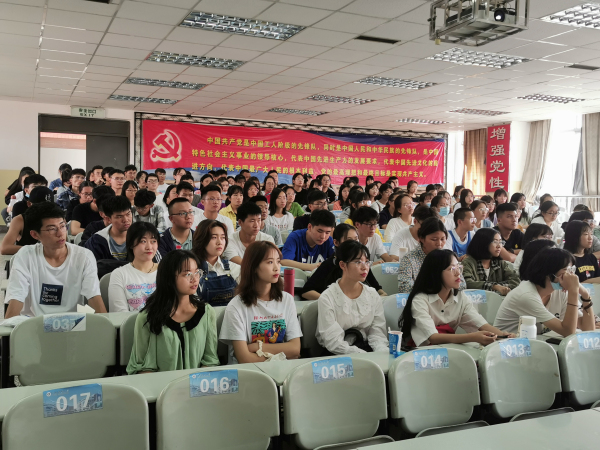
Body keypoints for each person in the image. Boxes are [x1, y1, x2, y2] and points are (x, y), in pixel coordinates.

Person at [5, 202, 106, 318]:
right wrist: (9, 327)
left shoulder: (84, 256)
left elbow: (94, 296)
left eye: (62, 226)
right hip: (33, 323)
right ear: (35, 235)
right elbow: (16, 297)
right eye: (52, 229)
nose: (60, 233)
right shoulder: (26, 256)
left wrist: (107, 326)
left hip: (72, 323)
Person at [126, 250, 219, 373]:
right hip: (158, 384)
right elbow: (140, 366)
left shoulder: (206, 312)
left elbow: (210, 360)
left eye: (197, 272)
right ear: (169, 278)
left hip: (197, 383)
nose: (195, 279)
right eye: (187, 274)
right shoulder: (147, 317)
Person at [399, 249, 513, 347]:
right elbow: (433, 337)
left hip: (448, 349)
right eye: (452, 269)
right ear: (436, 272)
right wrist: (472, 337)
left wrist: (503, 335)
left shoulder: (460, 297)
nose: (458, 273)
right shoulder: (420, 300)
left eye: (459, 267)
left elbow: (481, 324)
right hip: (421, 353)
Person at [219, 241, 302, 364]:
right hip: (249, 373)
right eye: (270, 262)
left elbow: (295, 349)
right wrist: (282, 354)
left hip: (282, 370)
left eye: (278, 261)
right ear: (253, 267)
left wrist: (258, 347)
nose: (276, 268)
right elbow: (244, 359)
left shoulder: (287, 300)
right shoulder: (236, 306)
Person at [494, 246, 595, 336]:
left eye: (572, 269)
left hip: (536, 344)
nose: (571, 275)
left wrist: (585, 295)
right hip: (509, 346)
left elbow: (588, 329)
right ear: (549, 273)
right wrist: (573, 291)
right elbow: (568, 331)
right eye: (566, 270)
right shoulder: (526, 295)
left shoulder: (559, 291)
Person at [316, 240, 388, 354]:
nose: (365, 267)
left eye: (367, 262)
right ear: (343, 265)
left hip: (367, 348)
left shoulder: (372, 294)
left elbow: (377, 333)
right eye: (358, 262)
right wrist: (364, 357)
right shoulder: (327, 297)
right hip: (337, 354)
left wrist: (380, 353)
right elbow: (333, 342)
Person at [301, 224, 386, 300]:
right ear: (336, 242)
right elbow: (306, 291)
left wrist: (383, 296)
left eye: (356, 239)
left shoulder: (363, 264)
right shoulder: (329, 265)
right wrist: (329, 301)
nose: (354, 244)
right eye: (349, 240)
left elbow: (377, 288)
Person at [398, 218, 465, 293]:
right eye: (434, 239)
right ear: (421, 239)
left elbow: (462, 284)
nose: (439, 244)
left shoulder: (449, 258)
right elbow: (405, 288)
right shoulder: (409, 260)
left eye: (442, 239)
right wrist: (440, 289)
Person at [108, 222, 159, 312]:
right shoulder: (119, 274)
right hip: (131, 322)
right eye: (143, 241)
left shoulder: (167, 271)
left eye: (153, 241)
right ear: (131, 244)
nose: (149, 247)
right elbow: (120, 314)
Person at [192, 219, 240, 307]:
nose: (219, 242)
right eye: (214, 237)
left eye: (223, 237)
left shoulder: (234, 268)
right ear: (202, 239)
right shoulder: (192, 270)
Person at [462, 228, 520, 295]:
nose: (499, 246)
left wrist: (498, 286)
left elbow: (516, 281)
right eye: (495, 242)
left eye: (501, 242)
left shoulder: (500, 263)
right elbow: (467, 283)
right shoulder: (468, 262)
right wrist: (494, 287)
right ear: (483, 243)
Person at [1, 186, 54, 255]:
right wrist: (37, 250)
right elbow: (5, 248)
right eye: (41, 207)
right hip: (28, 259)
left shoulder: (57, 219)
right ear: (29, 204)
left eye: (49, 207)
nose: (45, 211)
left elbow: (64, 244)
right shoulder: (20, 220)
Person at [85, 195, 132, 261]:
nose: (126, 220)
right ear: (108, 219)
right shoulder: (96, 241)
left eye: (128, 214)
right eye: (119, 217)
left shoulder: (141, 236)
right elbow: (94, 265)